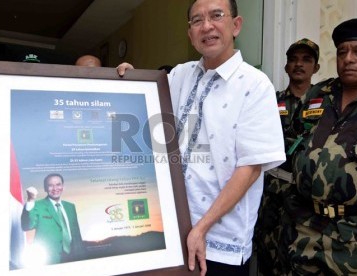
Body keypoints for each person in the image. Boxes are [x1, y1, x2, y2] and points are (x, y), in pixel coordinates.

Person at [117, 0, 285, 275]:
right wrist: (129, 80)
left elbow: (251, 168)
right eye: (197, 20)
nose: (207, 26)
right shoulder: (178, 75)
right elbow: (149, 110)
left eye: (216, 16)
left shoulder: (255, 85)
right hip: (170, 233)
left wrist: (201, 228)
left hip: (217, 242)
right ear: (190, 34)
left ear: (236, 25)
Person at [284, 17, 357, 274]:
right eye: (342, 52)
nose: (348, 58)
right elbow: (295, 144)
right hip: (305, 230)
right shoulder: (318, 94)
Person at [253, 38, 320, 275]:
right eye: (293, 60)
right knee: (266, 250)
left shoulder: (328, 103)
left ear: (316, 68)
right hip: (271, 190)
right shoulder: (271, 101)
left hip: (304, 196)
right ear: (286, 66)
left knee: (301, 257)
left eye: (306, 60)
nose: (299, 64)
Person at [21, 173, 83, 265]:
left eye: (58, 184)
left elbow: (76, 234)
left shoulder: (71, 207)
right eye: (50, 185)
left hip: (73, 257)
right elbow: (27, 226)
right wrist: (30, 200)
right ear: (45, 188)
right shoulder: (37, 205)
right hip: (50, 260)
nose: (55, 189)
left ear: (63, 186)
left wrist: (82, 256)